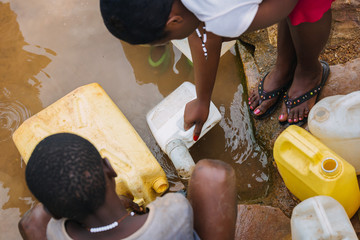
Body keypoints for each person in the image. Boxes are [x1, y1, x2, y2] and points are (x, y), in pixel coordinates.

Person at [100, 0, 333, 136]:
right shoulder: (193, 10)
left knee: (304, 8)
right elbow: (201, 33)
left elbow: (285, 4)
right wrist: (202, 100)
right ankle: (284, 67)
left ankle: (309, 72)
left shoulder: (223, 16)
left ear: (174, 21)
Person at [19, 133, 237, 239]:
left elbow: (39, 217)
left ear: (55, 212)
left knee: (29, 222)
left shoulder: (54, 232)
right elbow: (171, 206)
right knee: (212, 174)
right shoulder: (175, 211)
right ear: (109, 168)